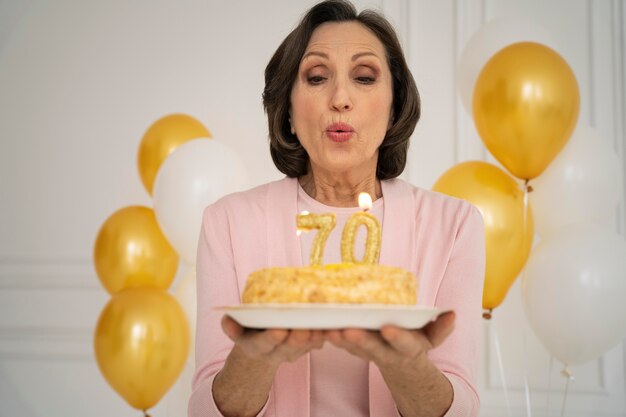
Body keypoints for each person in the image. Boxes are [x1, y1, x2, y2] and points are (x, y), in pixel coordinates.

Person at [188, 1, 485, 416]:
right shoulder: (228, 222)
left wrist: (403, 362)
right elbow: (203, 409)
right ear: (288, 110)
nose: (340, 98)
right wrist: (255, 356)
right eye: (316, 77)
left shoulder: (455, 225)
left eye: (364, 77)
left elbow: (464, 405)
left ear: (395, 105)